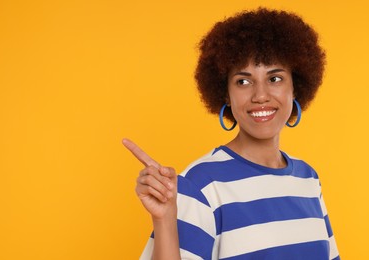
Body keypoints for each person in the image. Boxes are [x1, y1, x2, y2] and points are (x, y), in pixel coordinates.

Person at [123, 7, 340, 260]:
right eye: (243, 81)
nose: (260, 95)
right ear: (225, 93)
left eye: (275, 78)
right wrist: (165, 220)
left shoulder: (308, 179)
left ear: (296, 87)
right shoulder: (201, 183)